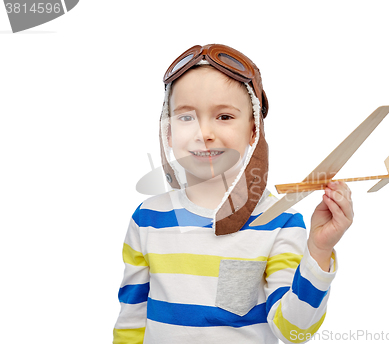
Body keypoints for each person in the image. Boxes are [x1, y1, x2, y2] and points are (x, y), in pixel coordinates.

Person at [113, 44, 354, 344]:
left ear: (254, 129)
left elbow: (294, 331)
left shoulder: (279, 222)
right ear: (168, 130)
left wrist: (318, 252)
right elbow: (131, 318)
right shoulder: (147, 219)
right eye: (186, 117)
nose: (204, 132)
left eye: (224, 117)